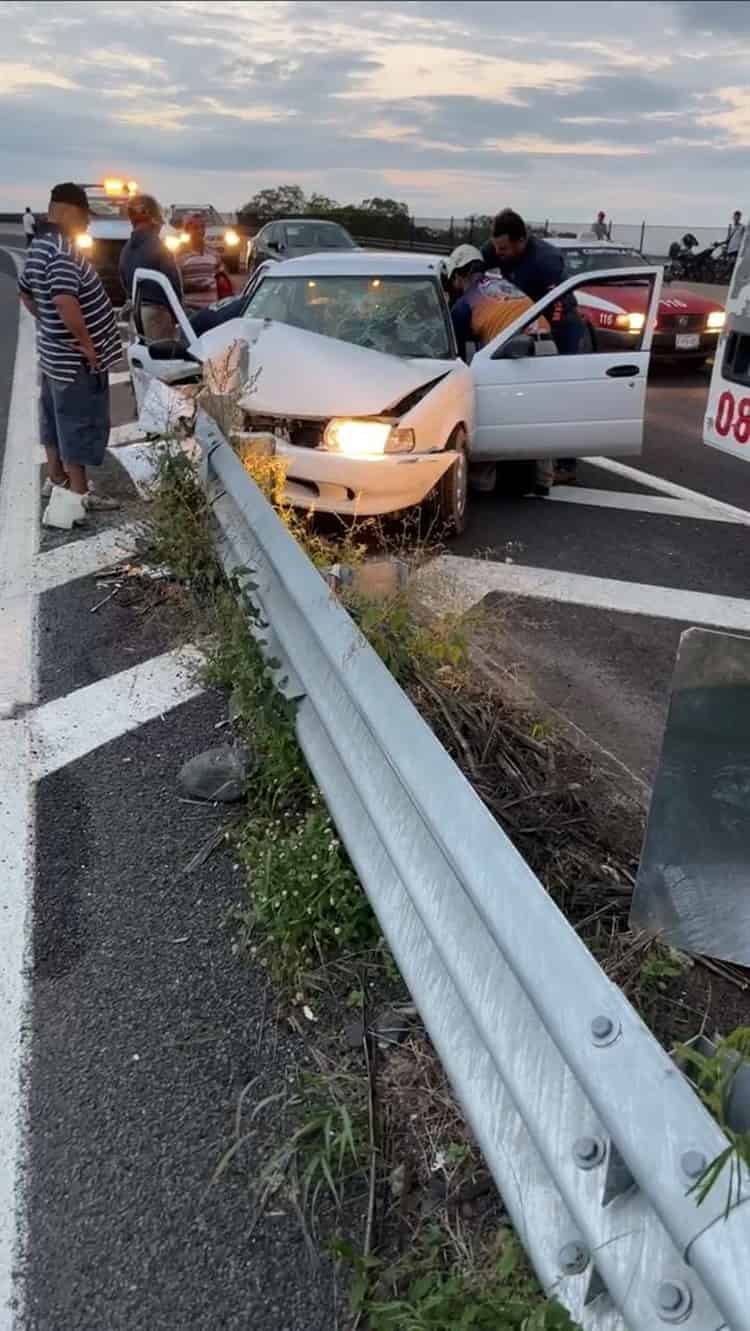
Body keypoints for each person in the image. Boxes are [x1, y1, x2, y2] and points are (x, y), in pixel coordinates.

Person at [18, 181, 121, 525]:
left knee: (54, 418)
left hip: (54, 355)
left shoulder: (37, 247)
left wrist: (49, 327)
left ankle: (57, 478)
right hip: (74, 359)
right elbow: (64, 300)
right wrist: (87, 345)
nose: (88, 224)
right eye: (85, 217)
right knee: (77, 420)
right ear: (69, 212)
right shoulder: (62, 249)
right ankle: (78, 493)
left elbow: (27, 295)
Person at [482, 209, 586, 483]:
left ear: (521, 241)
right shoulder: (496, 248)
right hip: (527, 322)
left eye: (503, 248)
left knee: (559, 394)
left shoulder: (546, 261)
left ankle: (566, 464)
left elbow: (560, 304)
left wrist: (546, 338)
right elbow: (473, 271)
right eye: (496, 247)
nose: (498, 253)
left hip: (560, 324)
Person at [443, 244, 554, 496]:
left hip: (514, 352)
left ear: (459, 275)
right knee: (541, 415)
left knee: (491, 411)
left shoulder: (465, 303)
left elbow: (456, 355)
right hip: (547, 344)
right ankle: (543, 479)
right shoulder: (503, 284)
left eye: (454, 280)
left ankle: (482, 478)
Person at [119, 194, 182, 340]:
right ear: (152, 218)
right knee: (161, 360)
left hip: (136, 314)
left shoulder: (126, 249)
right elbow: (173, 283)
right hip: (157, 314)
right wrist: (177, 314)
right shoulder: (158, 246)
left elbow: (124, 281)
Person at [178, 214, 225, 311]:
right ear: (187, 230)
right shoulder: (179, 255)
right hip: (190, 310)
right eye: (195, 228)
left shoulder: (214, 253)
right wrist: (196, 287)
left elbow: (222, 279)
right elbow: (175, 285)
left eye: (202, 227)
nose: (200, 231)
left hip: (212, 309)